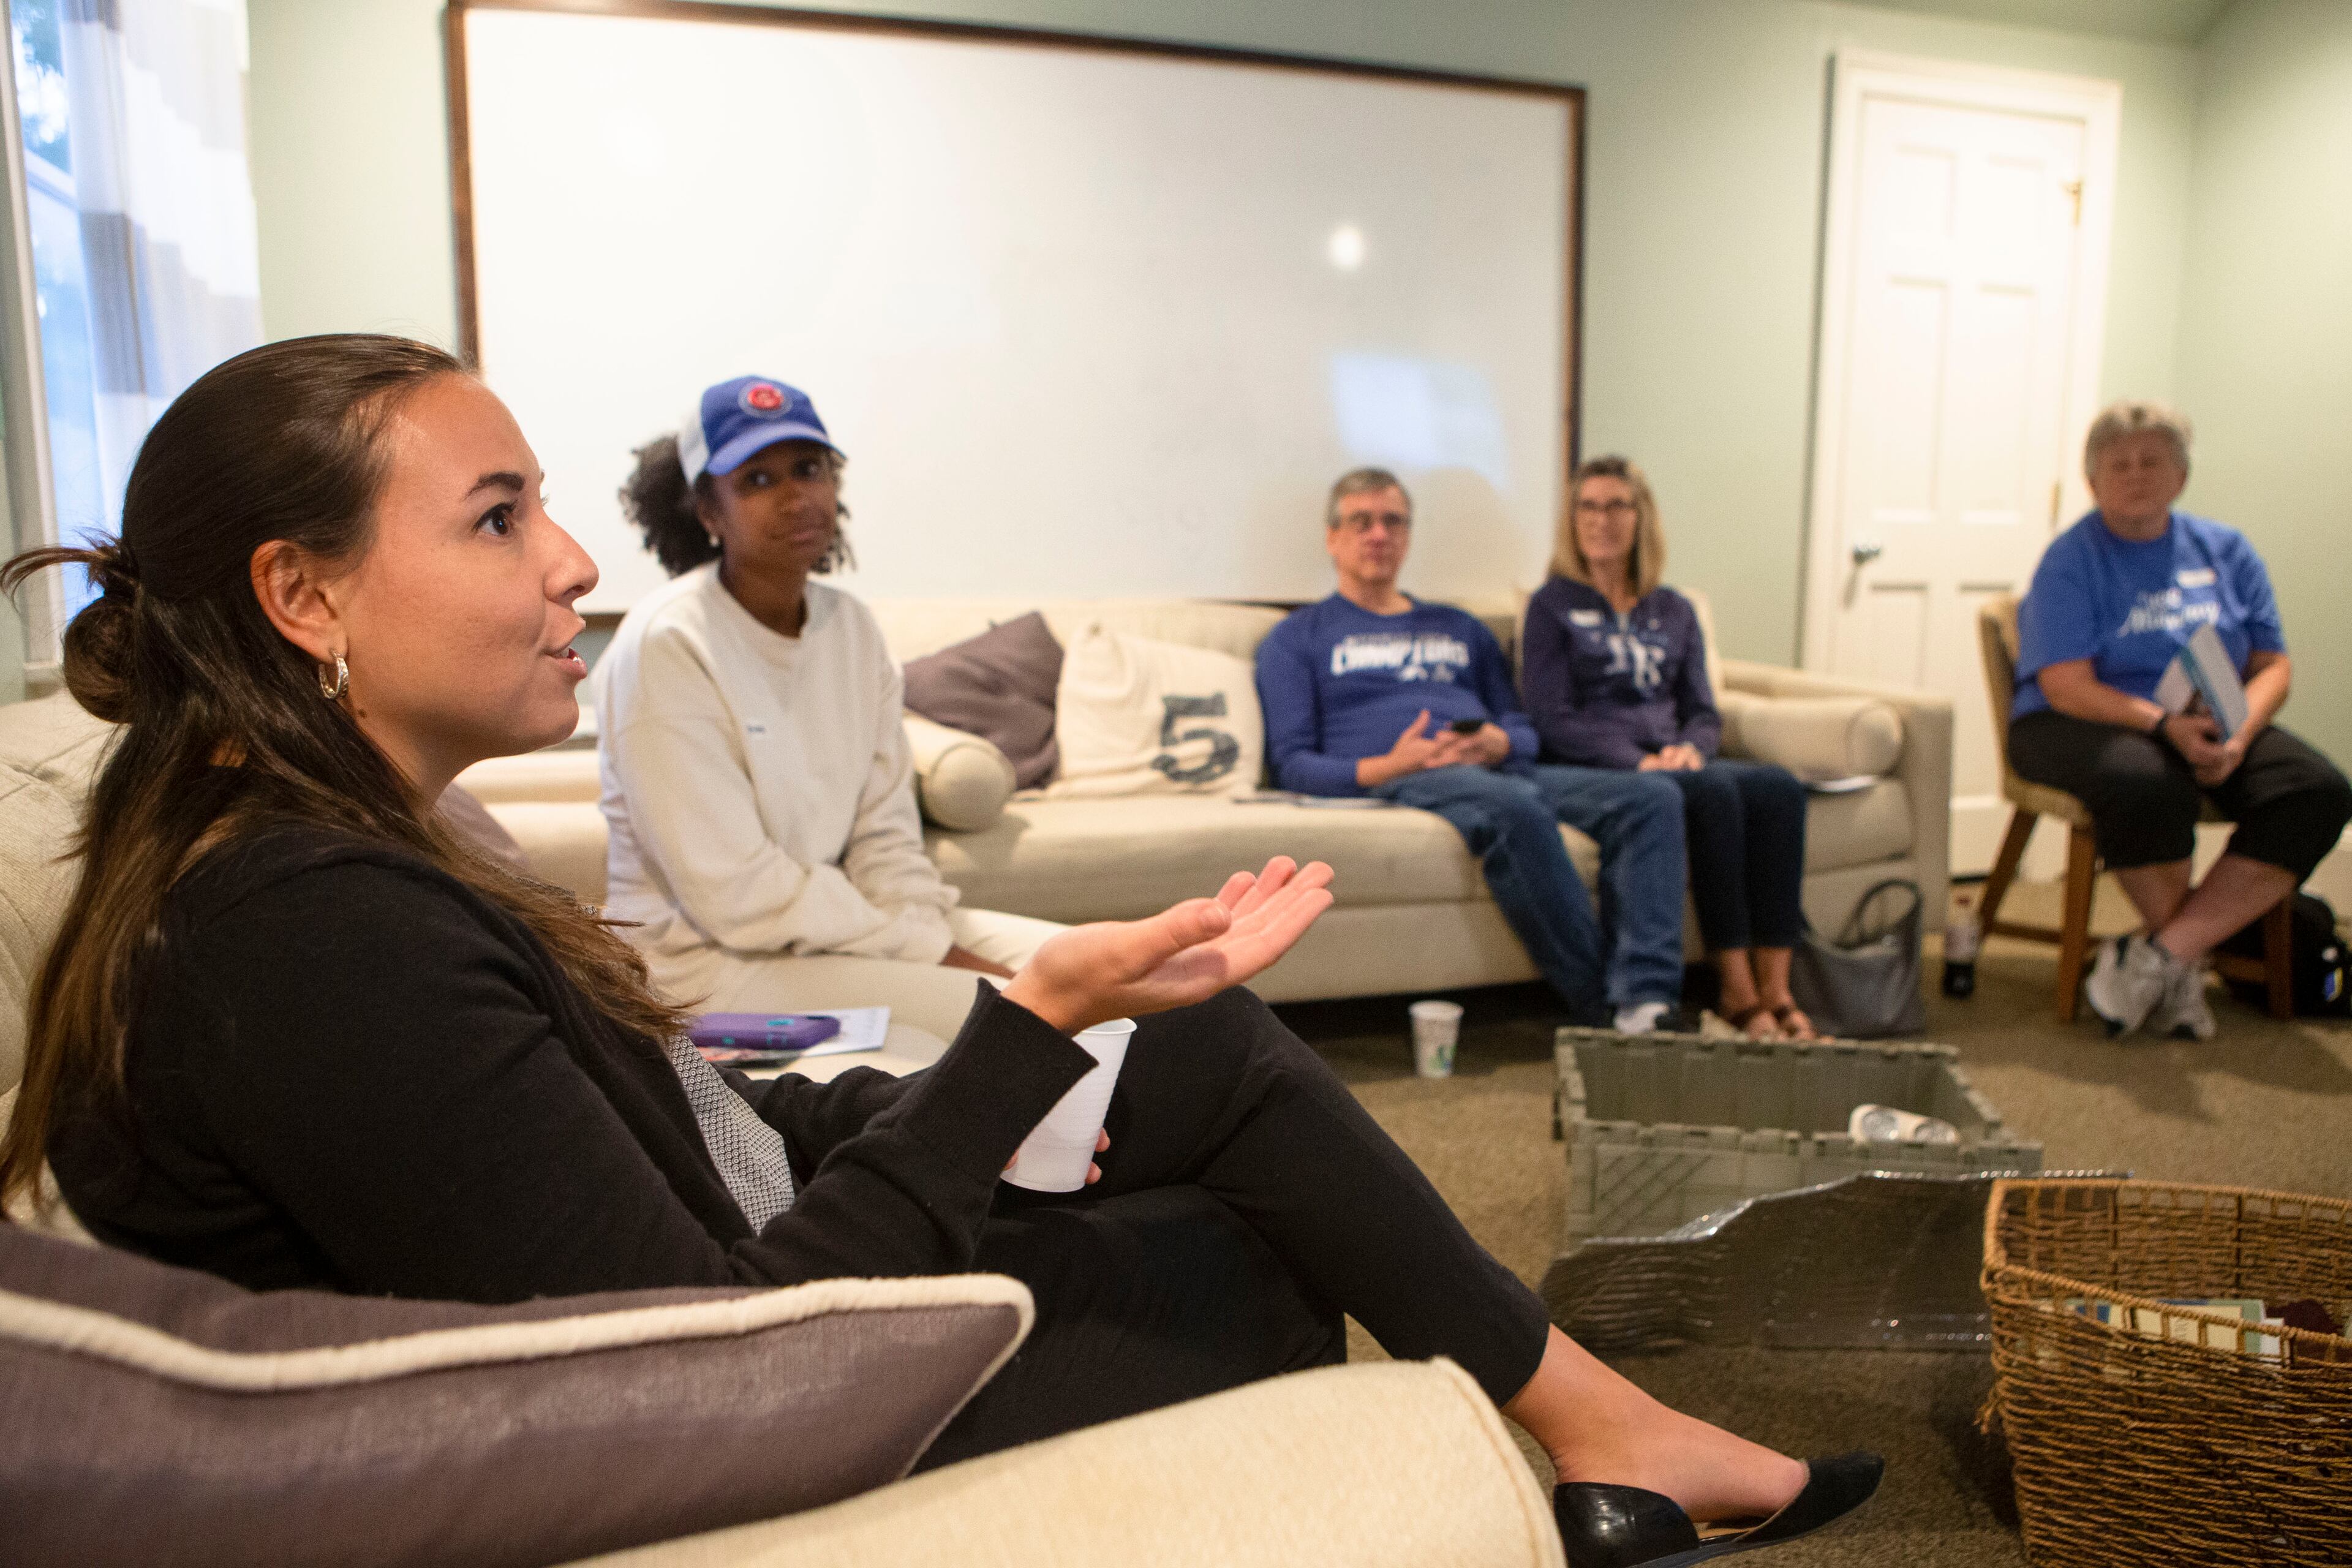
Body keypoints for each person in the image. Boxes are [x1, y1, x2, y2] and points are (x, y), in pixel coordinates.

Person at [1, 336, 1877, 1564]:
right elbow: (708, 1357)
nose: (569, 557)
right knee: (1250, 1268)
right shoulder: (303, 935)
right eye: (499, 518)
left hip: (757, 1224)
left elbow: (675, 1102)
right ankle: (1601, 1442)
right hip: (753, 1374)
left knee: (1213, 1077)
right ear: (301, 593)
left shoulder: (389, 835)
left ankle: (1603, 1433)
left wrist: (982, 1031)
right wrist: (1017, 1034)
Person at [595, 377, 1060, 1043]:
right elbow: (738, 894)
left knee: (1106, 969)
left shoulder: (853, 629)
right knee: (1049, 1017)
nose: (795, 496)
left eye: (809, 469)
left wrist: (920, 932)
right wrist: (926, 949)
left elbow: (886, 833)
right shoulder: (667, 643)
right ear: (707, 510)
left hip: (835, 934)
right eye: (757, 479)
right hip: (710, 967)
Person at [1254, 468, 1693, 1034]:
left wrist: (1500, 740)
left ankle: (1648, 1001)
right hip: (1409, 776)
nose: (1379, 535)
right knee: (1515, 812)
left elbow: (1526, 729)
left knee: (1652, 797)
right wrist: (1396, 763)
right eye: (1361, 522)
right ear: (1332, 537)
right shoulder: (1297, 637)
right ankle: (1604, 1015)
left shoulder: (1460, 627)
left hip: (1497, 767)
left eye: (1392, 522)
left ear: (1408, 536)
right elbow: (1293, 764)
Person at [2010, 401, 2351, 1039]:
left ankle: (2165, 955)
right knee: (2149, 781)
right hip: (2085, 718)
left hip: (2215, 715)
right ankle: (2182, 963)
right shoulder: (2072, 558)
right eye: (2119, 465)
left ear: (2181, 476)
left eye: (2152, 462)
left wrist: (2241, 732)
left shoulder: (2227, 549)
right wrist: (2163, 728)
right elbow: (2066, 683)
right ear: (2093, 480)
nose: (2136, 475)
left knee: (2316, 788)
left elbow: (2274, 663)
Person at [1521, 456, 1817, 1041]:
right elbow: (1550, 718)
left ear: (1642, 518)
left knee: (1778, 786)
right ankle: (1736, 989)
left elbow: (1704, 709)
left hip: (1676, 761)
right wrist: (1637, 761)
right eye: (1589, 507)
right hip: (1599, 767)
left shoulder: (1673, 608)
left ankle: (1778, 990)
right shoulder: (1551, 607)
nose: (1602, 521)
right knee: (1707, 792)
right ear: (1572, 521)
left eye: (1617, 506)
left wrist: (1691, 748)